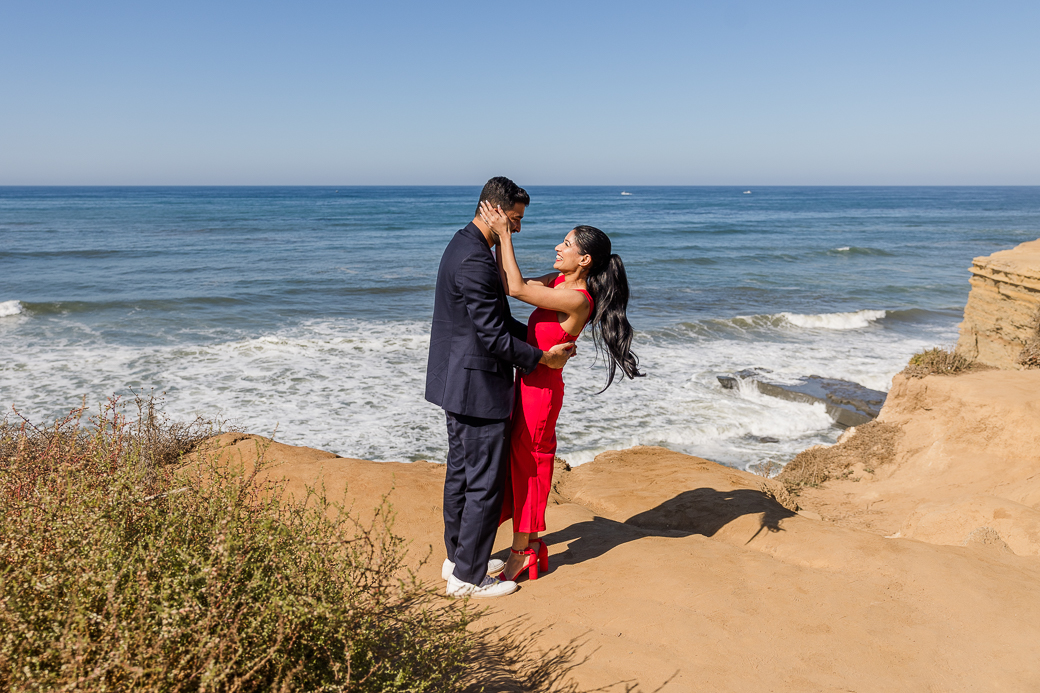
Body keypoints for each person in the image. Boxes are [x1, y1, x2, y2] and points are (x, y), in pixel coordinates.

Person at [425, 177, 575, 599]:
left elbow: (491, 320)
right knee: (483, 483)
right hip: (477, 385)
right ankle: (468, 579)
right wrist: (541, 358)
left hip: (458, 379)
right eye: (516, 218)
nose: (519, 228)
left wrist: (534, 341)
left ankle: (458, 559)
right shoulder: (474, 258)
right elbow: (491, 335)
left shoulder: (465, 245)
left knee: (460, 475)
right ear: (493, 209)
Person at [479, 202, 643, 583]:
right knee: (523, 466)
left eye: (566, 244)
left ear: (584, 259)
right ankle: (532, 546)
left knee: (530, 468)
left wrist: (504, 233)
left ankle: (523, 552)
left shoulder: (577, 299)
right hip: (529, 383)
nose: (558, 247)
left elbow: (517, 289)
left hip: (542, 391)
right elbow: (509, 283)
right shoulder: (557, 285)